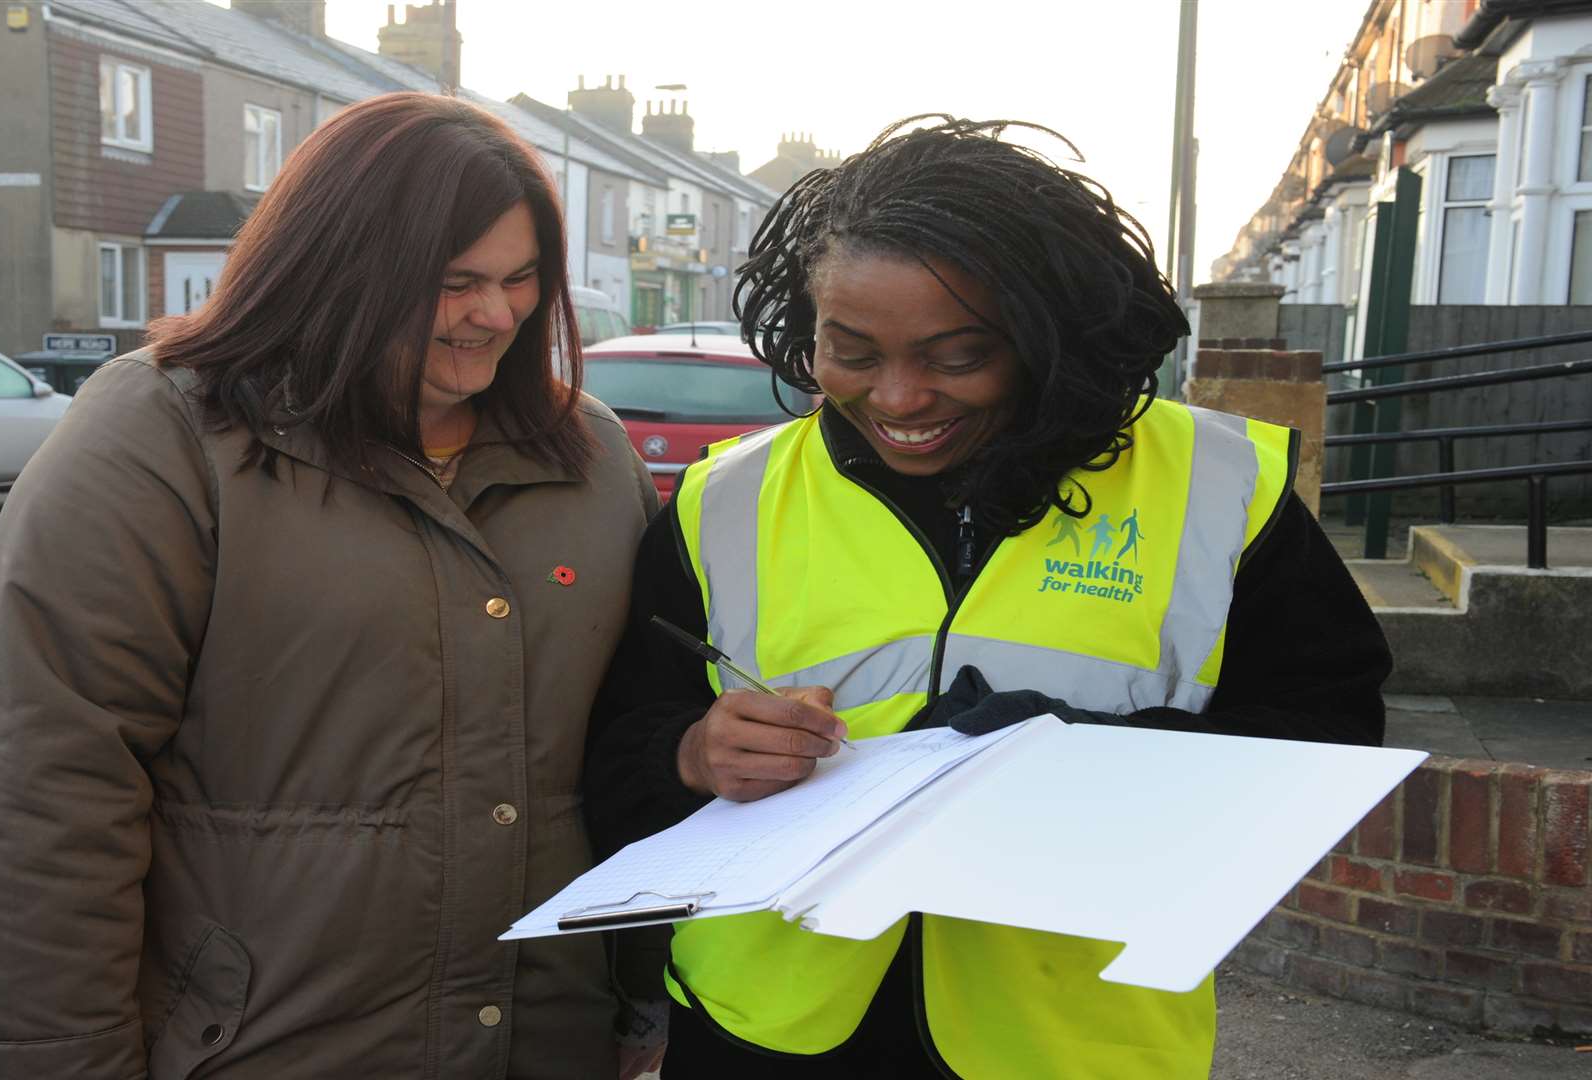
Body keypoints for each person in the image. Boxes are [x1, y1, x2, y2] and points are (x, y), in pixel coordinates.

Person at [583, 116, 1392, 1079]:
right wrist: (692, 752)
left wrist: (1083, 759)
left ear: (1045, 332)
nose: (897, 397)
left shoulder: (1218, 489)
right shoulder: (727, 498)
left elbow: (1328, 746)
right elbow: (619, 745)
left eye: (956, 356)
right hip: (765, 1030)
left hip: (1071, 1044)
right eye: (850, 350)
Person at [0, 93, 660, 1079]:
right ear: (335, 266)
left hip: (542, 1044)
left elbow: (635, 753)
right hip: (259, 1050)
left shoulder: (591, 458)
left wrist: (638, 1010)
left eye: (521, 280)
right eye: (455, 283)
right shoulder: (160, 439)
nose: (497, 315)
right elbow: (47, 794)